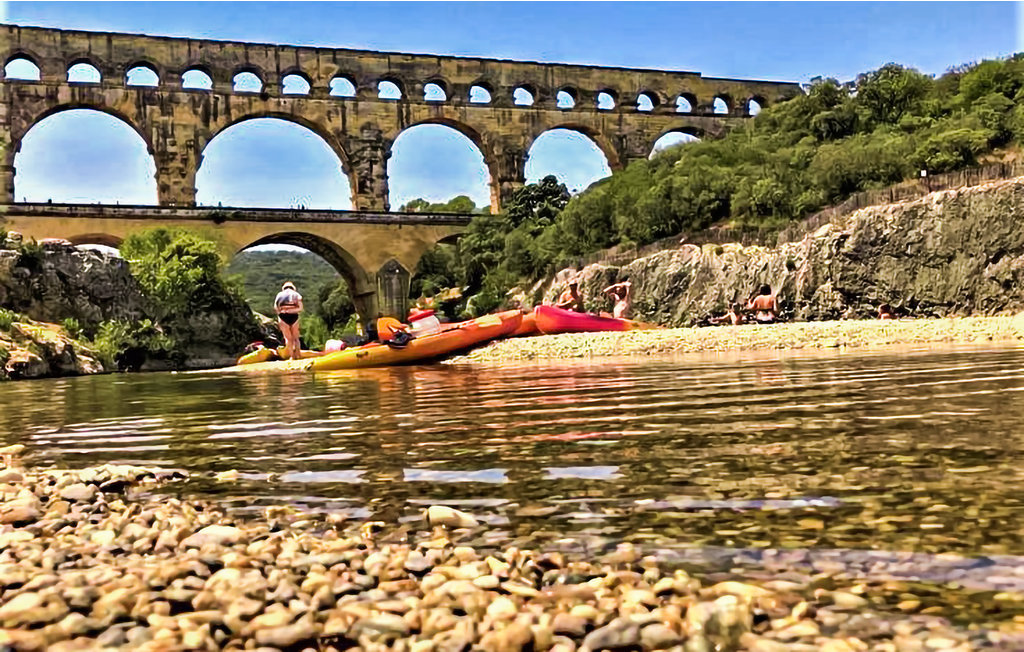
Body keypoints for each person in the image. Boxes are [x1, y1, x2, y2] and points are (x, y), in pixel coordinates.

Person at [274, 281, 303, 360]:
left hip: (283, 316)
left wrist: (283, 311)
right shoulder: (296, 294)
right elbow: (300, 308)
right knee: (296, 338)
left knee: (288, 339)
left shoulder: (279, 295)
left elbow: (276, 307)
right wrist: (291, 310)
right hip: (294, 315)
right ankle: (298, 355)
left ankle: (292, 356)